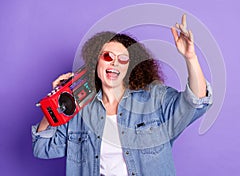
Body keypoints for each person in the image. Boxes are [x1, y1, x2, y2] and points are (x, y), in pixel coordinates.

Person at [32, 14, 213, 176]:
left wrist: (191, 57)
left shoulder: (154, 99)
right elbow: (42, 148)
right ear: (96, 62)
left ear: (130, 67)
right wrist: (55, 103)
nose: (115, 64)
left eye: (123, 59)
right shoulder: (80, 109)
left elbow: (196, 101)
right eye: (108, 57)